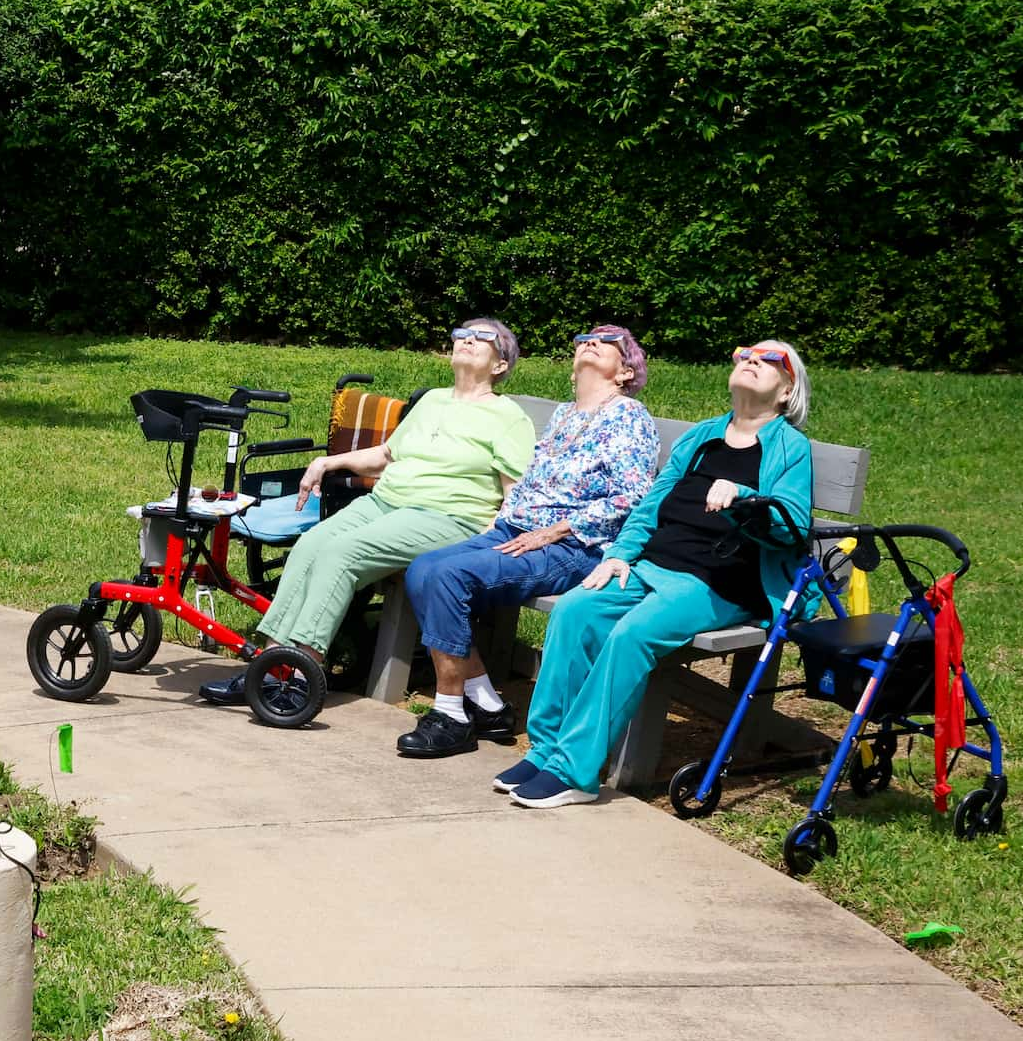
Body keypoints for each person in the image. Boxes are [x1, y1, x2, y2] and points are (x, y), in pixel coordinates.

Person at [502, 339, 817, 808]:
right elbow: (652, 504)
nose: (752, 360)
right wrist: (620, 555)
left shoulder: (790, 448)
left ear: (787, 392)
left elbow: (793, 525)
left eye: (770, 360)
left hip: (718, 581)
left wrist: (745, 497)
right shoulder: (701, 436)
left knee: (631, 636)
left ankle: (575, 771)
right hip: (653, 565)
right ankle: (546, 749)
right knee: (575, 610)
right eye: (745, 355)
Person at [204, 318, 535, 706]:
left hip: (446, 516)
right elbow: (385, 457)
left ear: (501, 365)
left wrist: (492, 541)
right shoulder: (432, 401)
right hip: (386, 503)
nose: (467, 340)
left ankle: (301, 676)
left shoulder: (508, 418)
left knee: (341, 554)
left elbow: (517, 493)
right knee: (311, 544)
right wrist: (328, 463)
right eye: (462, 334)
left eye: (483, 338)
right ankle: (269, 667)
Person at [393, 325, 659, 759]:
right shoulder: (564, 414)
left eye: (608, 342)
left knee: (448, 576)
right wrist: (501, 521)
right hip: (518, 531)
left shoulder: (629, 416)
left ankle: (451, 715)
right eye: (584, 339)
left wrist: (556, 531)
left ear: (626, 371)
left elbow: (633, 498)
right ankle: (487, 705)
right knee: (423, 568)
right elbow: (527, 483)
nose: (590, 342)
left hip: (575, 548)